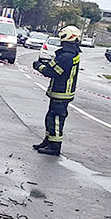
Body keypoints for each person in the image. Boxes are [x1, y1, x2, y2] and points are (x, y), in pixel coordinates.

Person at [32, 25, 81, 156]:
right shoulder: (69, 53)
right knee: (50, 117)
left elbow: (52, 72)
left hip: (62, 93)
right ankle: (48, 141)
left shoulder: (66, 56)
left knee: (57, 119)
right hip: (60, 92)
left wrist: (39, 66)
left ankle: (55, 146)